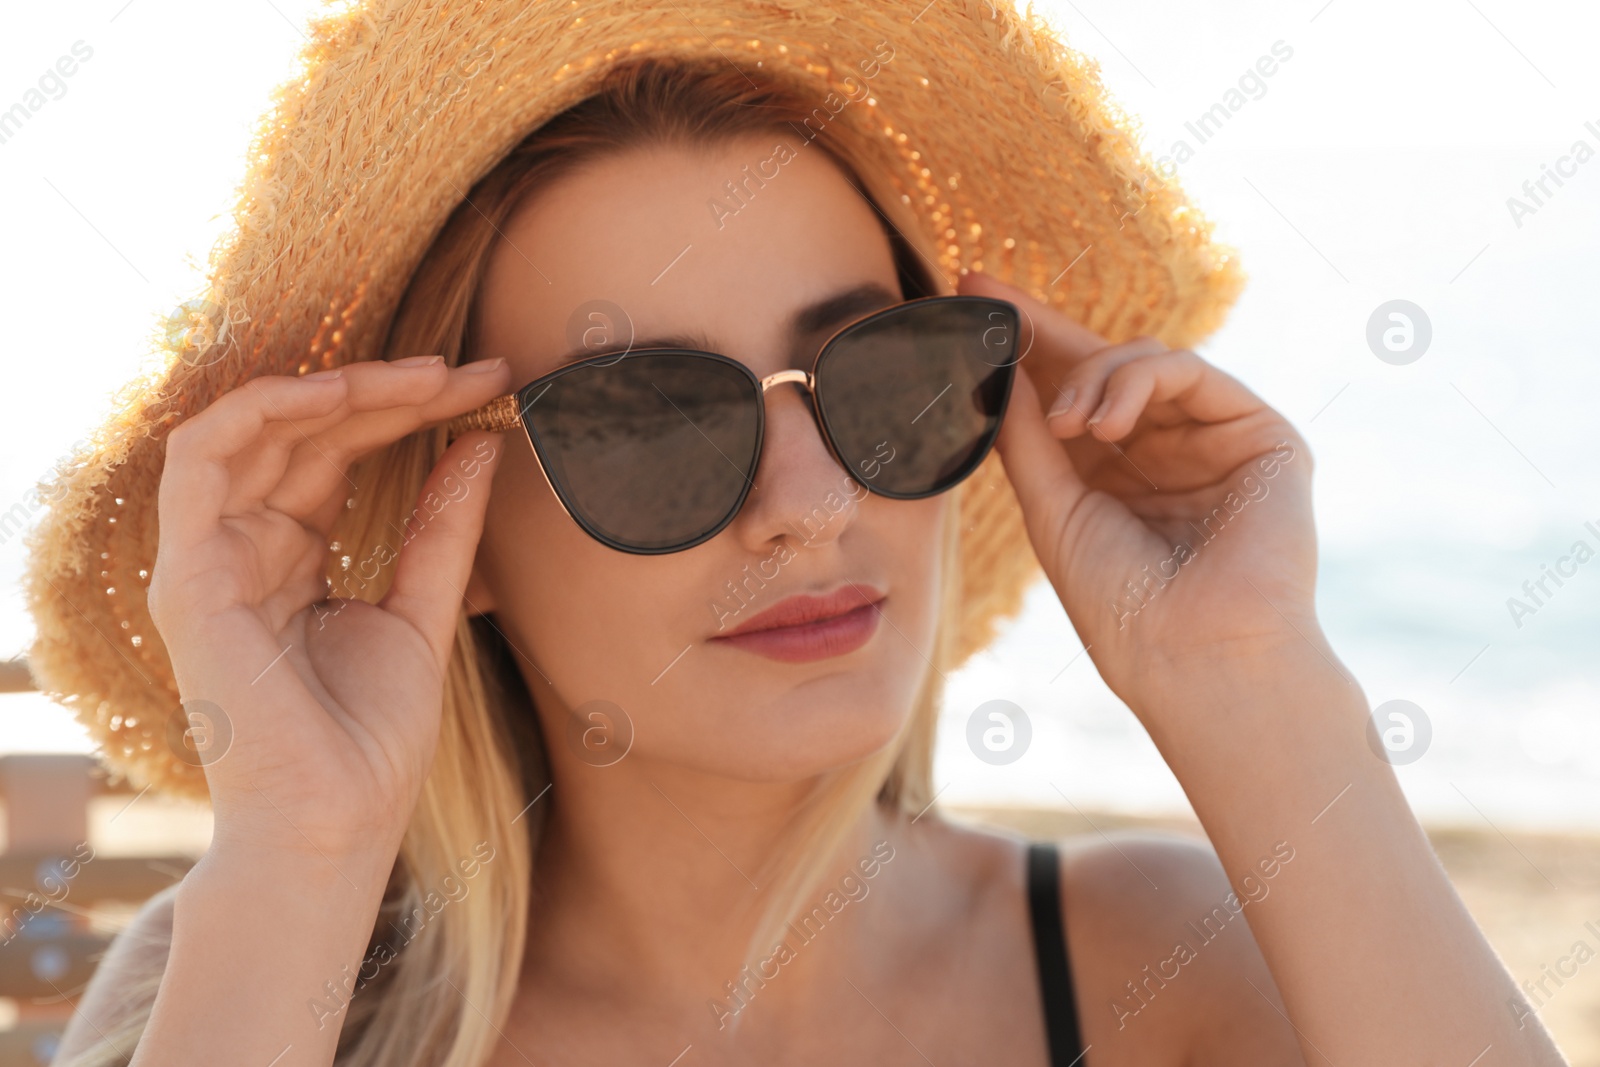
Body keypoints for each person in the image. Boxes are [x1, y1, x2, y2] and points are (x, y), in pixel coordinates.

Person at [27, 8, 1565, 1067]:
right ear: (456, 529)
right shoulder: (250, 986)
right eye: (650, 422)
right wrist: (296, 851)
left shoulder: (1152, 969)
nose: (815, 501)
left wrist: (1257, 686)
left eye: (879, 382)